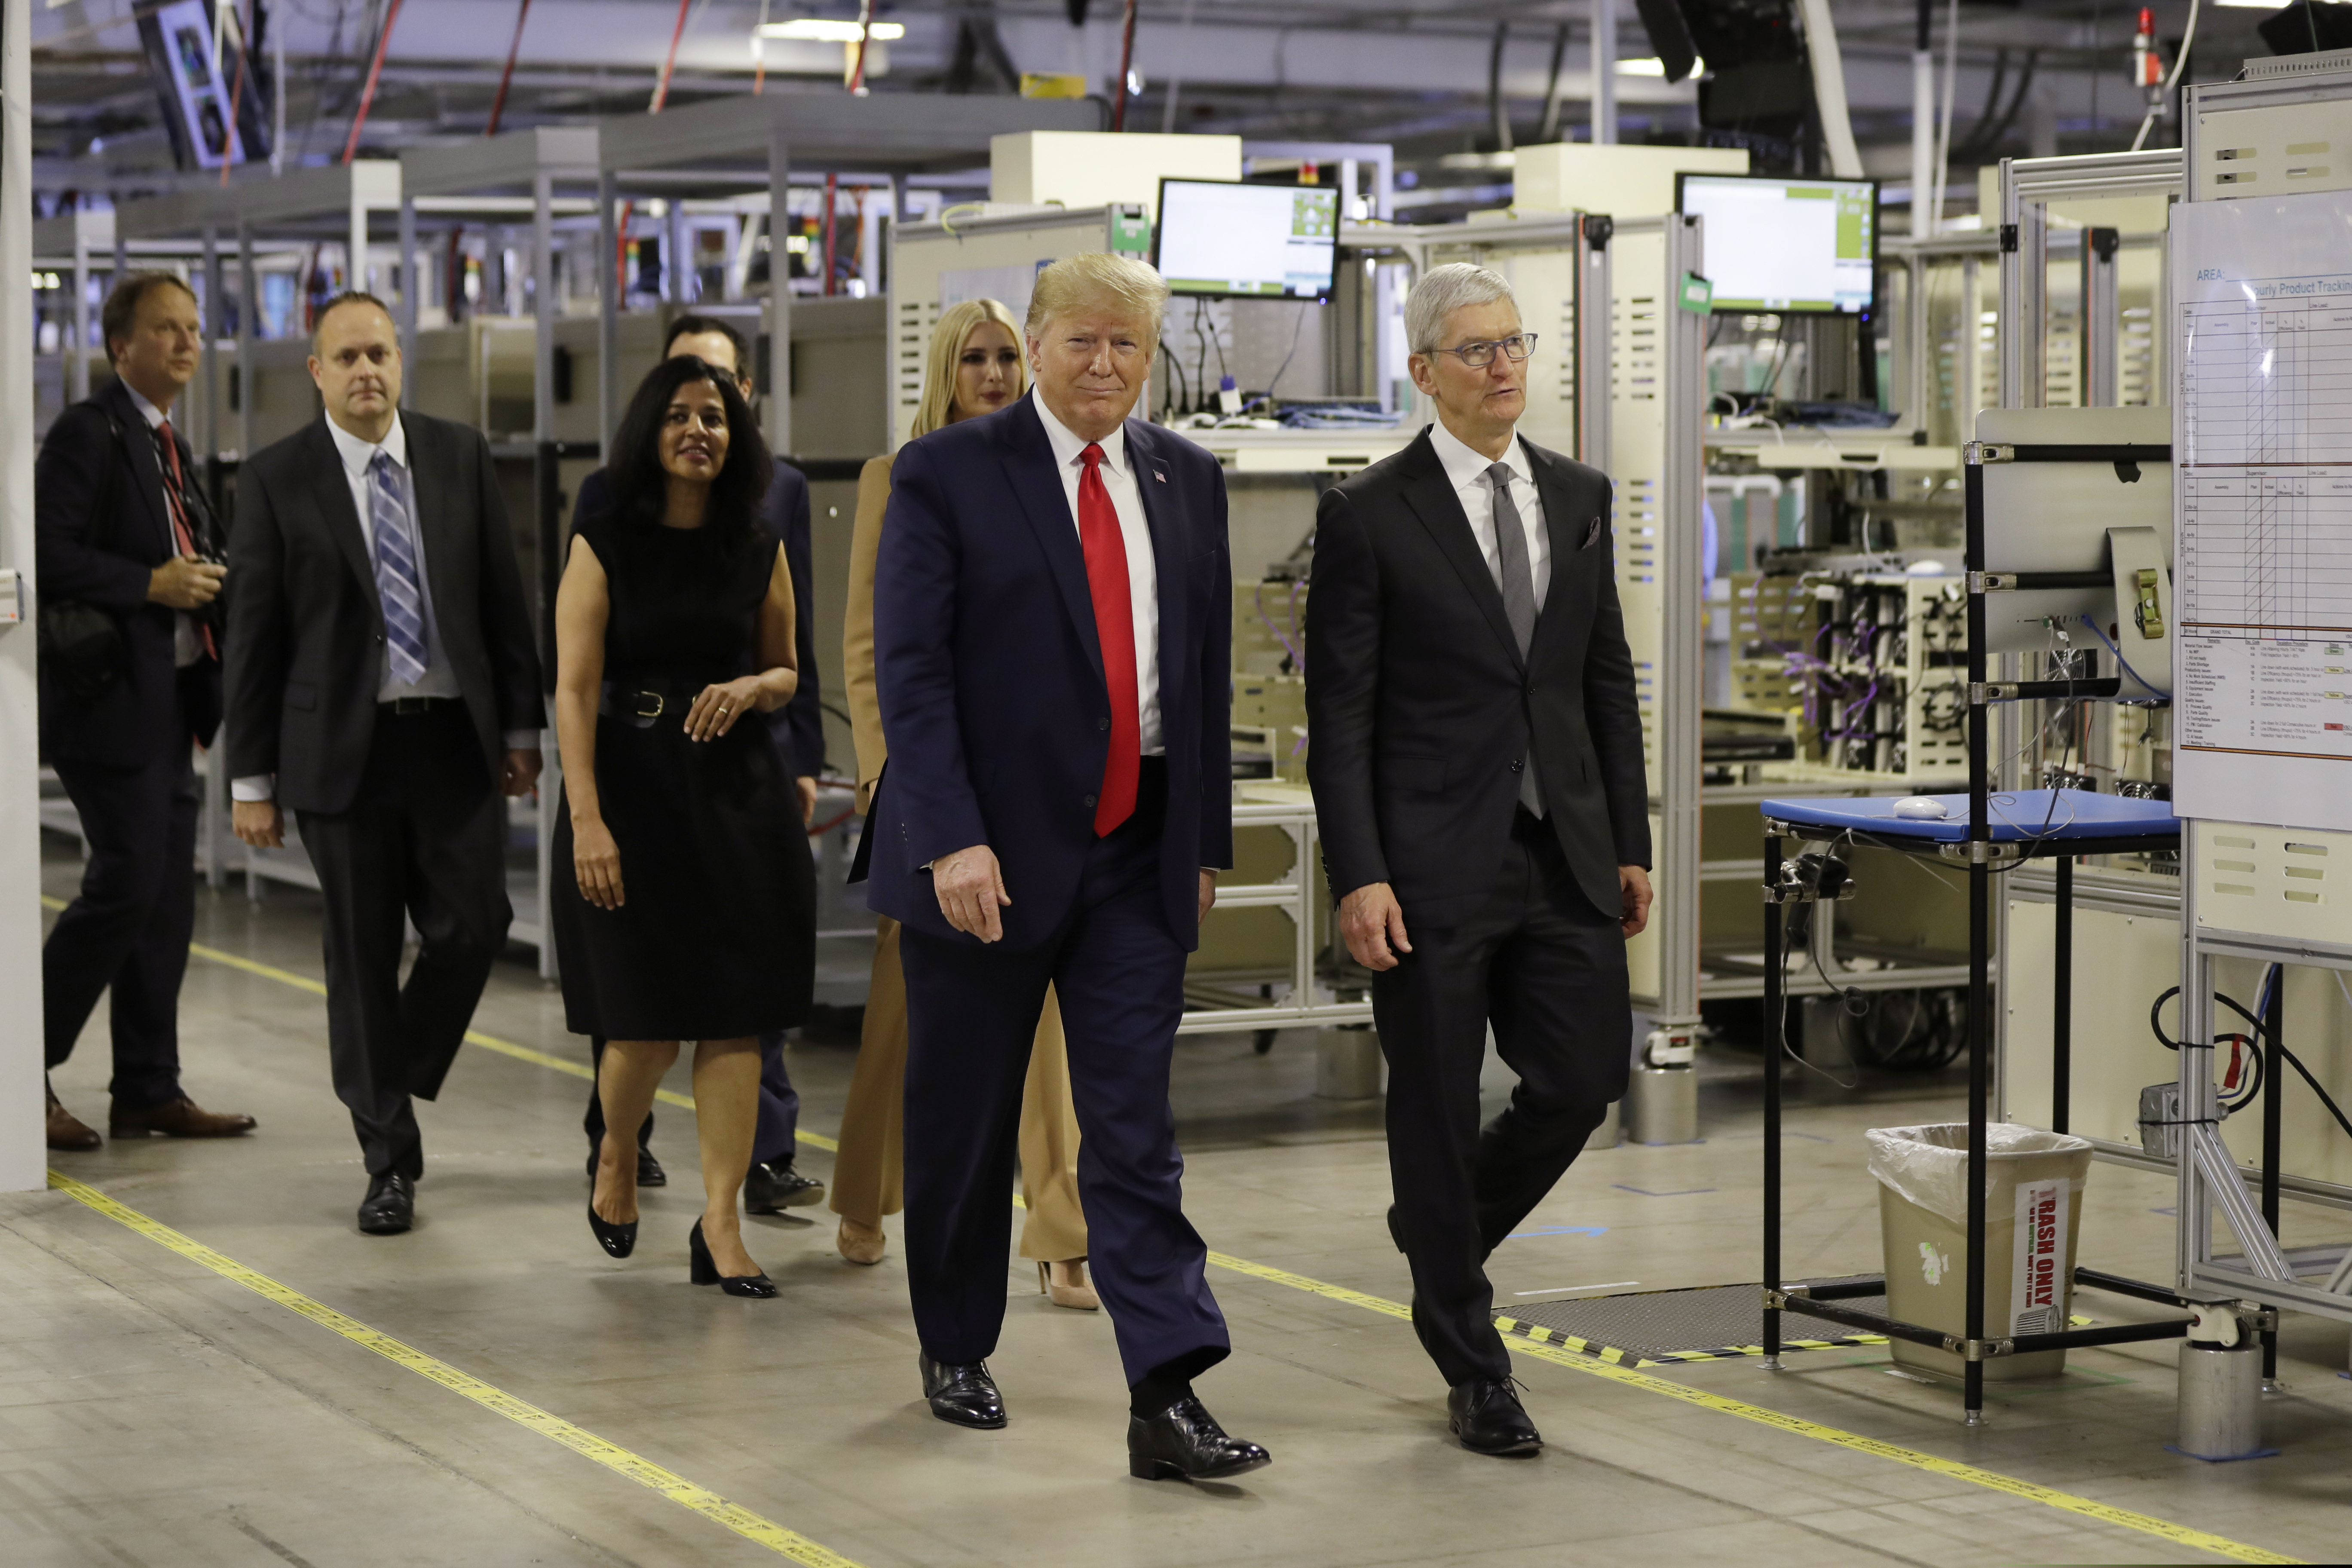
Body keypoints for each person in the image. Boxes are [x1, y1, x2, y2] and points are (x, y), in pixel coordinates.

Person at [865, 252, 1268, 1483]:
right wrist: (947, 836)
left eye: (1128, 348)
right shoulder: (946, 475)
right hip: (982, 858)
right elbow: (912, 672)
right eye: (1083, 342)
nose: (1105, 366)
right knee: (966, 1121)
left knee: (1135, 1134)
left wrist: (1201, 843)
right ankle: (953, 1343)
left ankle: (1167, 1392)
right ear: (1034, 345)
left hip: (1134, 852)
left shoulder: (1186, 481)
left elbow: (1199, 680)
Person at [1304, 263, 1653, 1457]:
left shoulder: (1580, 494)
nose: (1503, 367)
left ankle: (1440, 1231)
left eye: (1515, 345)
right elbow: (1339, 717)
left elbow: (1603, 680)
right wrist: (1358, 873)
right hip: (1426, 863)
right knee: (1438, 1112)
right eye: (1476, 350)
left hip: (1563, 849)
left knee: (1583, 1076)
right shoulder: (1368, 514)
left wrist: (1632, 842)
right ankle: (1473, 1360)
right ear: (1424, 372)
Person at [226, 291, 544, 1236]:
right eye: (347, 357)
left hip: (451, 740)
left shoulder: (457, 455)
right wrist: (251, 781)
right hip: (338, 756)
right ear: (316, 373)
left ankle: (383, 1070)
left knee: (476, 926)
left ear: (402, 363)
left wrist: (522, 731)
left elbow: (502, 602)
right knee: (359, 956)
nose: (368, 371)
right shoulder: (281, 478)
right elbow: (255, 636)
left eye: (381, 354)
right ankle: (388, 1158)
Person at [838, 297, 1096, 1310]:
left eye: (1004, 358)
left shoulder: (1048, 471)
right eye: (974, 358)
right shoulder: (896, 478)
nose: (992, 375)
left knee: (1041, 1031)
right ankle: (865, 1188)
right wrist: (883, 781)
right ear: (944, 370)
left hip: (1027, 802)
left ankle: (1061, 1230)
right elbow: (869, 647)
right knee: (902, 1021)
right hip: (925, 795)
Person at [553, 355, 815, 1298]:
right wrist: (586, 818)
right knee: (646, 1027)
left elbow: (788, 669)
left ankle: (722, 1223)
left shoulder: (758, 542)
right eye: (677, 416)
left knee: (738, 1021)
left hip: (738, 793)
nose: (698, 430)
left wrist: (754, 687)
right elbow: (575, 688)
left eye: (713, 416)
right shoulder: (604, 538)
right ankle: (617, 1150)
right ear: (648, 433)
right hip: (629, 788)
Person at [37, 271, 254, 1150]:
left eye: (195, 328)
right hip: (106, 705)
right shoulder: (88, 436)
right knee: (124, 881)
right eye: (167, 329)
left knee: (165, 898)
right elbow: (44, 556)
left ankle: (148, 1088)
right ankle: (21, 1067)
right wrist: (151, 584)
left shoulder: (172, 444)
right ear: (120, 346)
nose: (187, 342)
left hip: (171, 704)